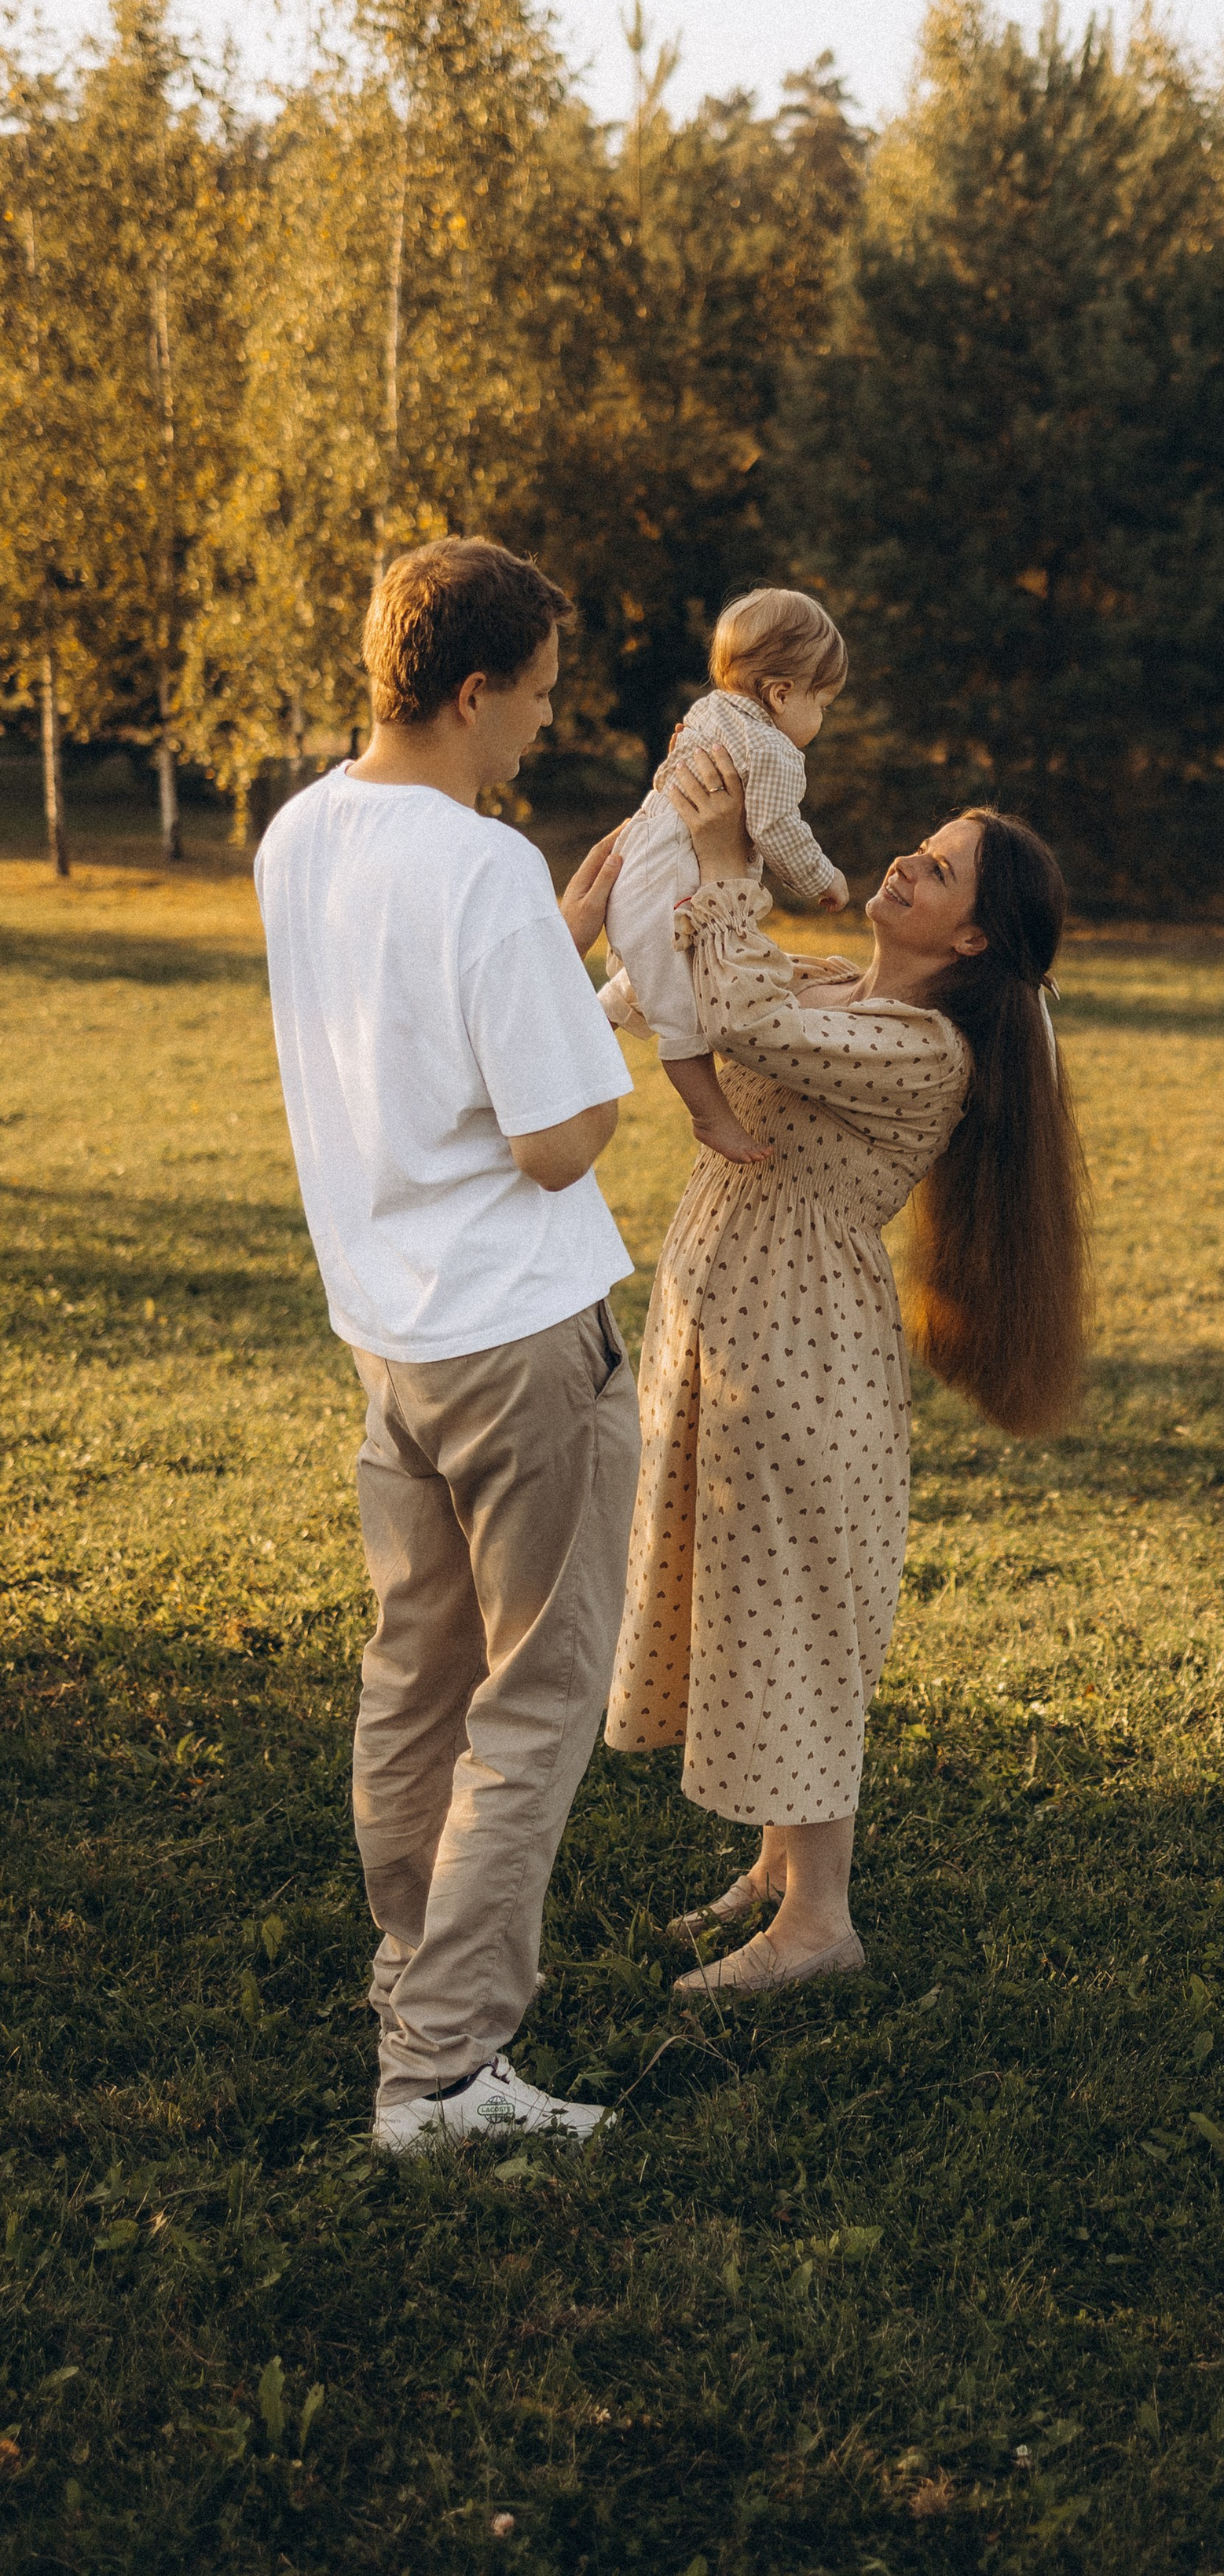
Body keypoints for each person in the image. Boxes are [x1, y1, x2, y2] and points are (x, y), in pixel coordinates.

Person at [254, 536, 640, 2152]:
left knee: (414, 1682)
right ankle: (442, 2076)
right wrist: (589, 1000)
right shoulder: (480, 865)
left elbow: (416, 1039)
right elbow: (557, 1138)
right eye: (536, 701)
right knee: (534, 1698)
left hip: (391, 1339)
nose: (541, 732)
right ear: (474, 691)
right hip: (521, 1337)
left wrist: (556, 950)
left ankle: (408, 1989)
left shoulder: (300, 834)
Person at [603, 743, 1090, 1997]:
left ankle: (821, 1925)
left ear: (976, 940)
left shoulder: (928, 1051)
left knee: (791, 1614)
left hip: (800, 1347)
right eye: (917, 848)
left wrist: (724, 864)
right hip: (730, 1325)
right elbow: (691, 997)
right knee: (748, 1595)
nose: (903, 863)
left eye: (935, 871)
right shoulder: (834, 984)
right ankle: (778, 1870)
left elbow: (741, 1014)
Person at [599, 587, 850, 1169]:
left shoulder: (709, 712)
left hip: (640, 869)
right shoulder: (774, 753)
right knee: (688, 1008)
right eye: (824, 703)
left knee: (664, 967)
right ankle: (709, 1114)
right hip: (672, 887)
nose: (822, 718)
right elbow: (777, 828)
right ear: (783, 695)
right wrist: (822, 879)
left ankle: (599, 1016)